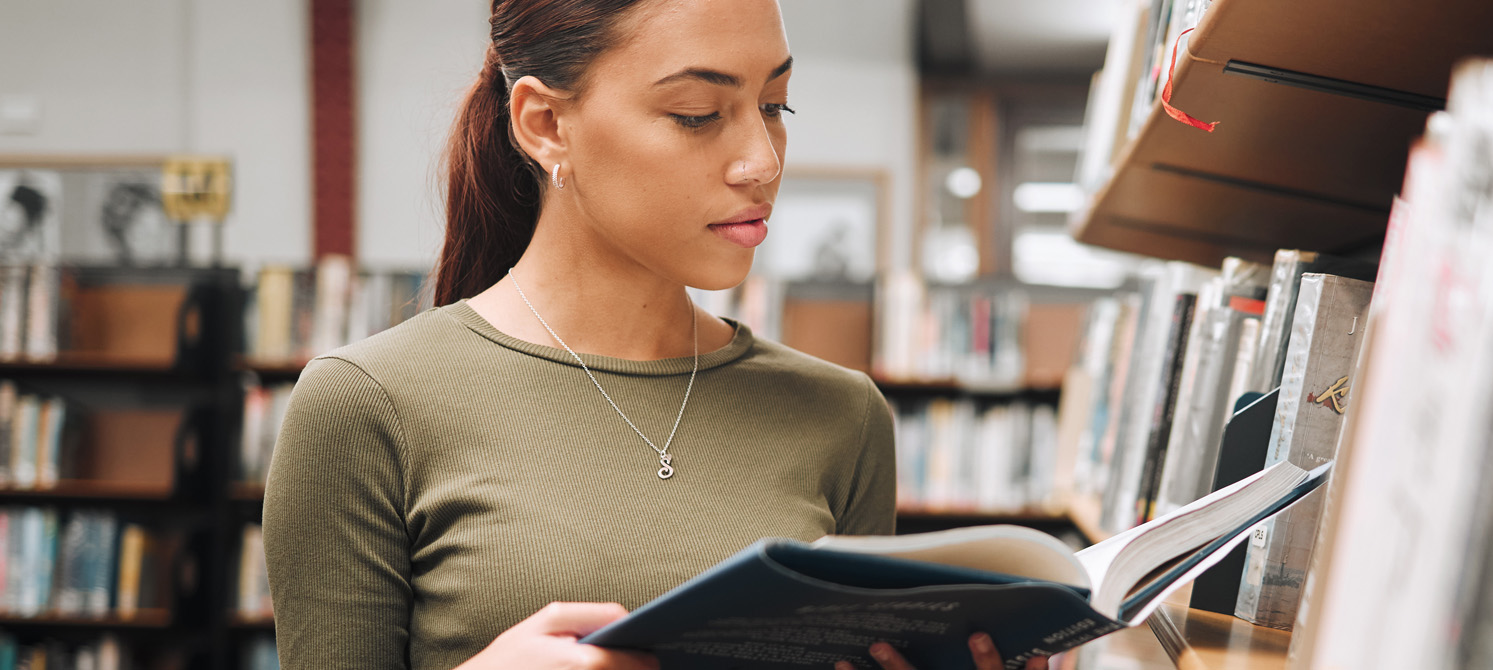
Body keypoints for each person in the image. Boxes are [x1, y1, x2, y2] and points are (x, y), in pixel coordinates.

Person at [262, 2, 1045, 669]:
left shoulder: (843, 417)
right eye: (697, 115)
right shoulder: (367, 407)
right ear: (545, 124)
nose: (761, 161)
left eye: (776, 105)